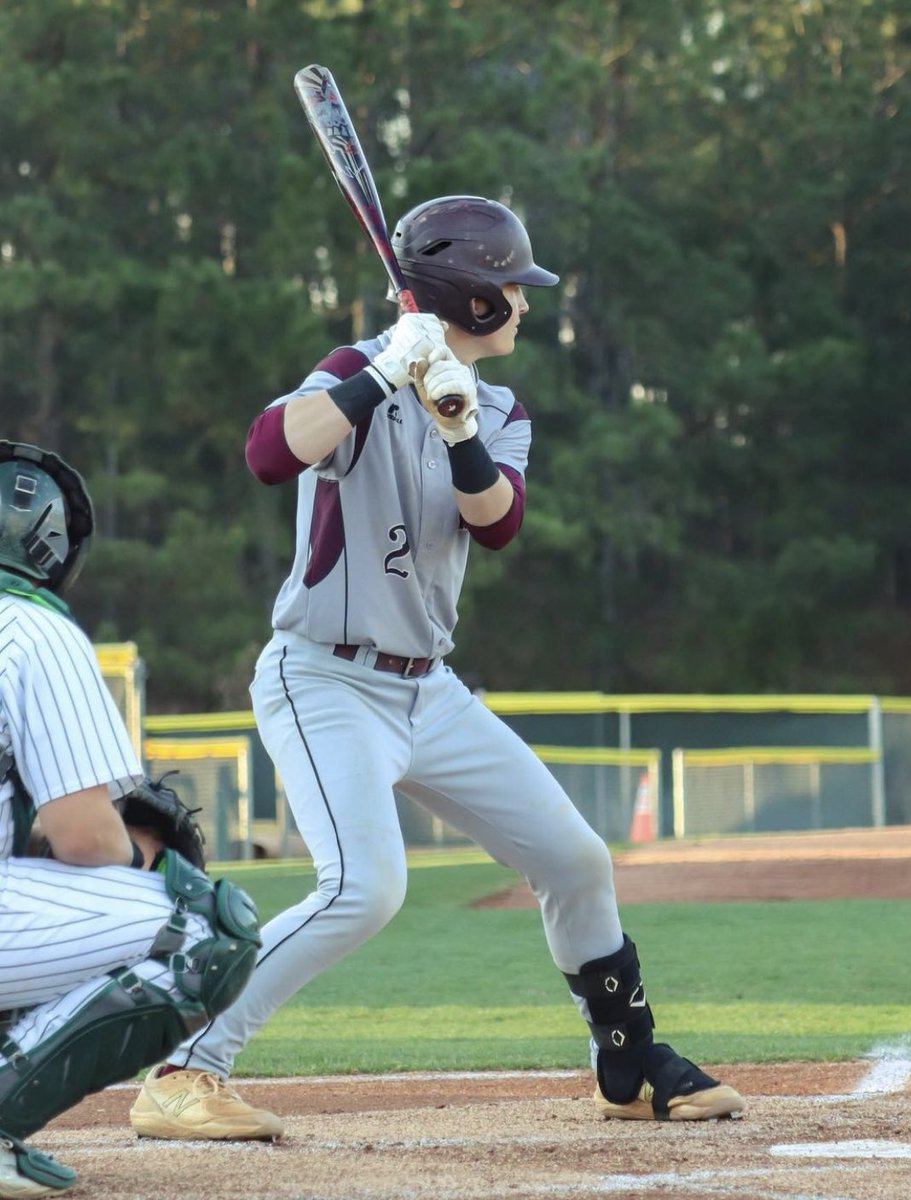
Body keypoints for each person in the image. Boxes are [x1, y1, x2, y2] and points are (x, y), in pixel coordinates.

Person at [129, 195, 745, 1139]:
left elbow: (498, 524)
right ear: (472, 296)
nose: (526, 302)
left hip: (428, 690)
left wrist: (455, 426)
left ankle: (626, 1060)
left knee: (577, 859)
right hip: (323, 679)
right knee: (364, 888)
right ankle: (183, 1066)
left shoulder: (497, 405)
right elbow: (265, 454)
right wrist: (384, 373)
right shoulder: (350, 372)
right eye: (511, 285)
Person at [0, 441, 262, 1197]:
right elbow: (84, 837)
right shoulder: (31, 628)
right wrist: (142, 859)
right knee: (211, 929)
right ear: (52, 545)